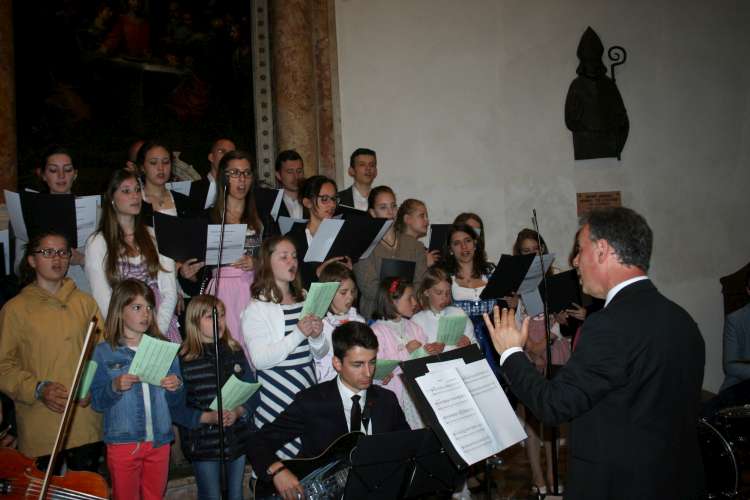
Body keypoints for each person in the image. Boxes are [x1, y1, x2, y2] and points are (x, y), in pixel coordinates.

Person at [483, 207, 706, 499]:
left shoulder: (608, 325)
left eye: (580, 249)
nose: (574, 261)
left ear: (602, 250)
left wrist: (511, 352)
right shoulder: (682, 319)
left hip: (622, 487)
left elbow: (554, 405)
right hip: (677, 482)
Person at [245, 321, 409, 499]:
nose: (368, 373)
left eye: (372, 362)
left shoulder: (386, 401)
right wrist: (277, 471)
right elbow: (257, 442)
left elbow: (407, 448)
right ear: (337, 363)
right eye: (358, 364)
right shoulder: (312, 401)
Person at [0, 231, 103, 467]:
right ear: (32, 260)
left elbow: (102, 352)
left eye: (62, 252)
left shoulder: (85, 302)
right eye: (47, 252)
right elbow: (3, 367)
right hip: (40, 424)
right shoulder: (14, 309)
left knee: (88, 484)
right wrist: (37, 389)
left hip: (84, 421)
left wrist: (94, 386)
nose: (56, 258)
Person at [90, 279, 184, 500]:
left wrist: (176, 386)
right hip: (123, 441)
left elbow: (177, 402)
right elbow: (96, 401)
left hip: (160, 440)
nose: (145, 314)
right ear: (120, 311)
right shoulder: (104, 352)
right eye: (137, 307)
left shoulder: (163, 348)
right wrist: (114, 387)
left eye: (149, 307)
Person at [240, 236, 328, 460]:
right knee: (279, 459)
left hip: (306, 384)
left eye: (295, 256)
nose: (292, 262)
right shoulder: (257, 308)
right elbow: (260, 360)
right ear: (267, 262)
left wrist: (317, 336)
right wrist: (299, 334)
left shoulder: (305, 297)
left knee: (309, 457)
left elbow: (320, 353)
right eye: (284, 257)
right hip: (276, 390)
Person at [85, 169, 181, 342]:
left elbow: (169, 291)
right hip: (123, 331)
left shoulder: (155, 236)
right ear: (111, 198)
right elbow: (103, 298)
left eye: (137, 190)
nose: (135, 196)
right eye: (126, 191)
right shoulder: (98, 242)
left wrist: (156, 333)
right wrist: (128, 337)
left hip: (160, 325)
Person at [178, 295, 258, 500]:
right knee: (211, 495)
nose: (219, 321)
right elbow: (176, 408)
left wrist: (239, 411)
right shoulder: (184, 359)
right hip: (203, 442)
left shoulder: (234, 350)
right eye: (210, 317)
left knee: (235, 494)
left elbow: (252, 391)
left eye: (221, 315)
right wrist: (207, 417)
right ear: (194, 321)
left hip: (236, 438)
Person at [511, 228, 570, 496]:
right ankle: (537, 474)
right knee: (533, 418)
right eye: (526, 251)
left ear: (543, 250)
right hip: (527, 351)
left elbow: (561, 321)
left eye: (536, 250)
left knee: (553, 418)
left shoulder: (554, 279)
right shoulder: (515, 284)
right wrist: (530, 350)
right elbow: (514, 323)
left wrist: (544, 343)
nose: (532, 255)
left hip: (553, 349)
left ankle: (552, 473)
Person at [202, 150, 265, 359]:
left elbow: (275, 254)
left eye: (247, 173)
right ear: (223, 177)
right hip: (224, 288)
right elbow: (198, 257)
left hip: (254, 285)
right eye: (235, 173)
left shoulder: (262, 216)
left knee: (255, 342)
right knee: (228, 343)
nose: (242, 179)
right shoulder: (210, 217)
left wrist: (257, 262)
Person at [353, 186, 427, 319]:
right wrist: (399, 304)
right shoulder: (363, 246)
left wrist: (405, 303)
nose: (390, 212)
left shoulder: (416, 246)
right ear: (373, 213)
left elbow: (420, 283)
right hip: (376, 316)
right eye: (383, 207)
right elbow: (369, 288)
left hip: (409, 317)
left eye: (393, 206)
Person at [370, 277, 432, 429]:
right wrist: (406, 351)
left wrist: (429, 352)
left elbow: (424, 360)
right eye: (409, 298)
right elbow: (378, 371)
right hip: (395, 397)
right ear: (392, 301)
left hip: (418, 395)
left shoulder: (414, 327)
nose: (415, 302)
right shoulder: (376, 332)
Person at [33, 145, 91, 293]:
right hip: (43, 292)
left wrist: (82, 260)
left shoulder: (91, 210)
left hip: (83, 290)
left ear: (75, 174)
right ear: (43, 175)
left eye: (67, 170)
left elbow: (107, 263)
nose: (61, 175)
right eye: (53, 170)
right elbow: (18, 266)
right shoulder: (31, 210)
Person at [286, 175, 351, 289]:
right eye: (324, 199)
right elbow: (290, 282)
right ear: (307, 202)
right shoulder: (293, 239)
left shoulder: (341, 234)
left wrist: (349, 272)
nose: (332, 205)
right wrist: (318, 273)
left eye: (334, 199)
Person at [315, 261, 367, 382]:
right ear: (328, 293)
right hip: (329, 385)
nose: (350, 297)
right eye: (343, 292)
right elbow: (320, 363)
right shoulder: (321, 325)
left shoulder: (359, 320)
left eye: (352, 291)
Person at [412, 266, 475, 351]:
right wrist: (429, 351)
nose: (444, 298)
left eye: (448, 293)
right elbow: (412, 354)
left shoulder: (459, 314)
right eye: (439, 293)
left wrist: (468, 343)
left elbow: (476, 346)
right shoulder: (416, 321)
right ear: (426, 292)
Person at [136, 141, 195, 222]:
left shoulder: (183, 201)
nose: (161, 168)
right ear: (142, 167)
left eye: (166, 162)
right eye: (153, 163)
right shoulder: (135, 200)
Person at [395, 198, 441, 267]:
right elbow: (401, 271)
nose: (427, 221)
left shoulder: (420, 248)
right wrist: (424, 264)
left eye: (426, 216)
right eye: (422, 216)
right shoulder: (397, 247)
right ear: (407, 219)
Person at [275, 149, 305, 219]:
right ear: (278, 175)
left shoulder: (312, 200)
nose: (296, 176)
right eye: (290, 172)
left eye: (299, 171)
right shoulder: (272, 203)